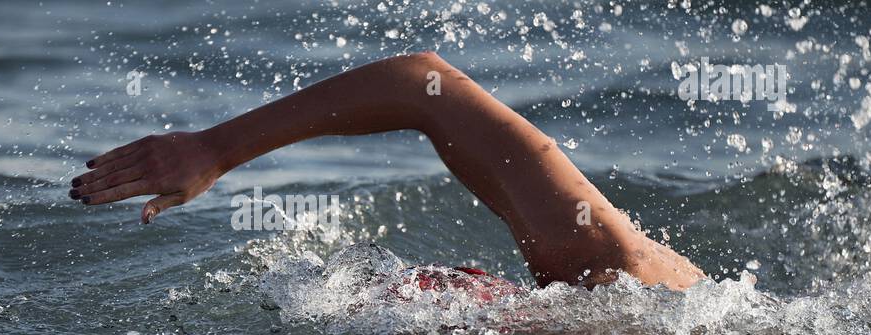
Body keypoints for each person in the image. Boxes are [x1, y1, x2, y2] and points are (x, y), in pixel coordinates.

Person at [69, 52, 705, 291]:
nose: (439, 285)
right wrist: (215, 150)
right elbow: (425, 83)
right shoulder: (593, 259)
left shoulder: (602, 267)